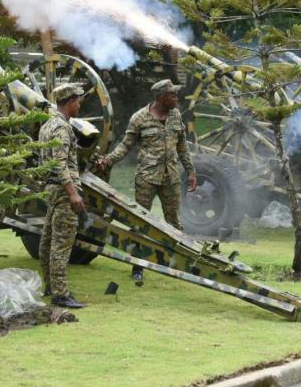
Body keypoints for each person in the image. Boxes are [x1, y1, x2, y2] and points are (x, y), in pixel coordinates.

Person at [97, 79, 197, 282]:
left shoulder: (176, 115)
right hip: (147, 178)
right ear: (161, 97)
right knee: (140, 223)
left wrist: (191, 172)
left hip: (171, 178)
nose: (176, 98)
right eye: (173, 95)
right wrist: (108, 160)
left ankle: (179, 265)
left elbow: (182, 147)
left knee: (175, 223)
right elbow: (125, 145)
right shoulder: (139, 118)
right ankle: (137, 266)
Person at [38, 83, 87, 309]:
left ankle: (50, 285)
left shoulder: (47, 125)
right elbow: (59, 164)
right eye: (77, 101)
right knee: (61, 243)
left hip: (51, 189)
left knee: (48, 239)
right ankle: (60, 293)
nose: (79, 105)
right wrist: (73, 193)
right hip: (63, 190)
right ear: (69, 102)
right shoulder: (62, 128)